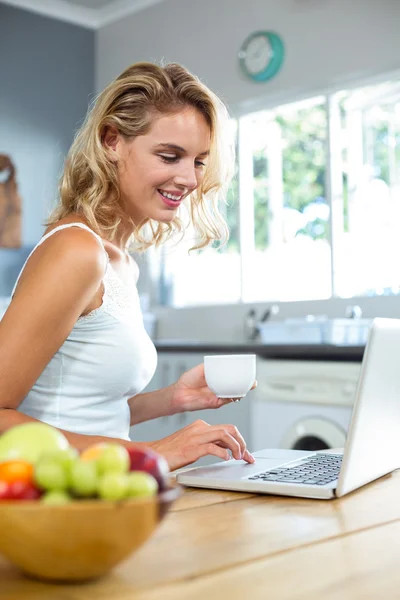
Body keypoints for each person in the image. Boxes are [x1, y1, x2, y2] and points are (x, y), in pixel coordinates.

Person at [0, 62, 255, 471]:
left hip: (109, 494)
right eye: (170, 156)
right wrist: (153, 453)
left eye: (199, 161)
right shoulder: (76, 251)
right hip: (54, 504)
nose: (189, 179)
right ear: (112, 141)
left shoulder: (121, 262)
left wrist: (173, 399)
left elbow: (81, 410)